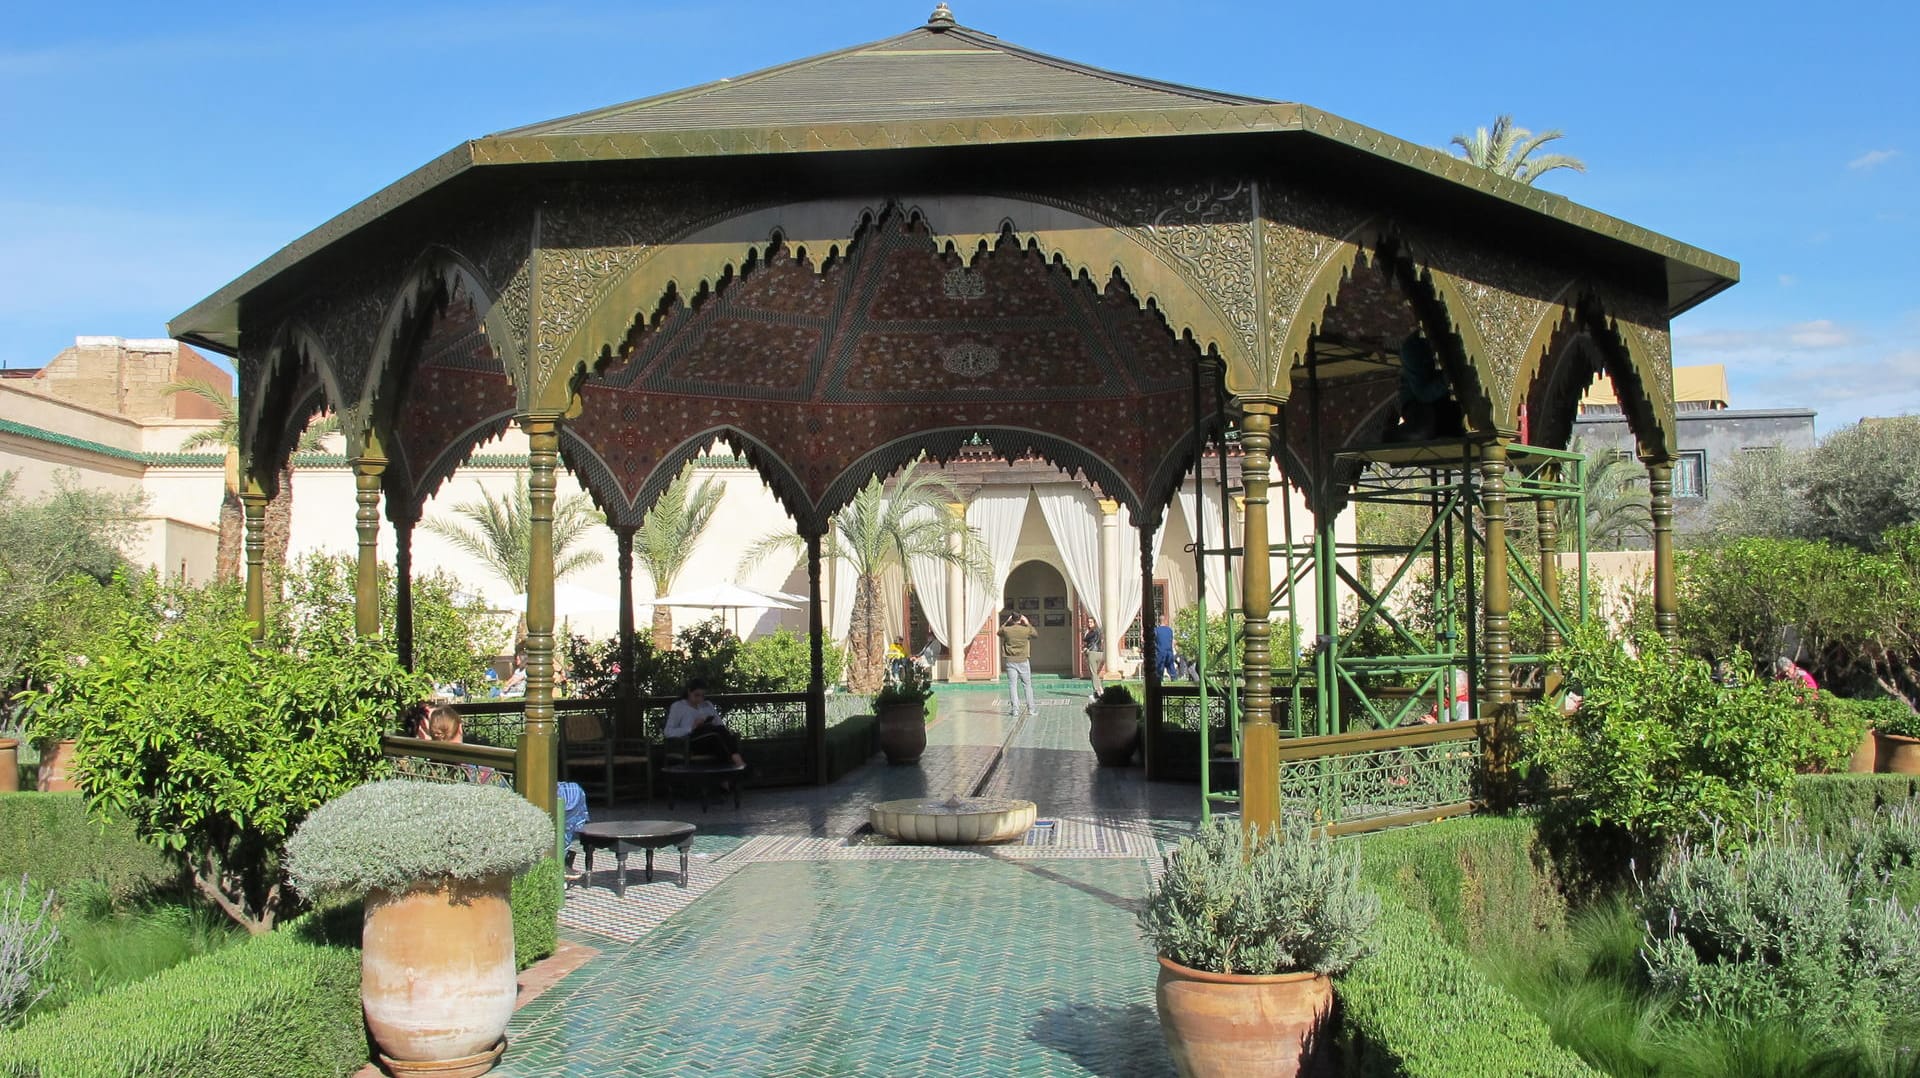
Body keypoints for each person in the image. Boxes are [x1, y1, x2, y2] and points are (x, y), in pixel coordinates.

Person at [664, 679, 746, 768]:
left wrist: (709, 722)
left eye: (702, 696)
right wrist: (691, 727)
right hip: (691, 742)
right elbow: (668, 732)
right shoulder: (678, 706)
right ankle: (738, 763)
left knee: (717, 735)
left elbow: (720, 725)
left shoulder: (707, 705)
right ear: (689, 692)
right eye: (696, 695)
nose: (699, 699)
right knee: (715, 735)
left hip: (712, 739)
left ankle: (727, 774)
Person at [999, 612, 1039, 715]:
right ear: (1020, 619)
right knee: (1027, 685)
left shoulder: (1007, 630)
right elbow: (1035, 634)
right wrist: (1027, 623)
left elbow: (999, 632)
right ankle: (1031, 709)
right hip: (1023, 660)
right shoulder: (1025, 630)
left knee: (1013, 685)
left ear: (1012, 619)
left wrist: (1007, 622)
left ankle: (1015, 709)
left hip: (1010, 660)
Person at [1081, 617, 1105, 698]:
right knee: (1095, 674)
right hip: (1100, 653)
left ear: (1094, 623)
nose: (1089, 623)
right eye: (1088, 622)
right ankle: (1100, 690)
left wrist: (1086, 650)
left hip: (1093, 653)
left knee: (1093, 673)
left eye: (1091, 622)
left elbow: (1086, 639)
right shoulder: (1098, 631)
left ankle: (1098, 692)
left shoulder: (1092, 632)